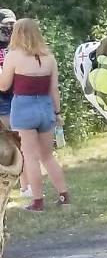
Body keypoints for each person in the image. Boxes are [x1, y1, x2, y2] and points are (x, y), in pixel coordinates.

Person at [0, 18, 69, 211]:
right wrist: (57, 113)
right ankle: (64, 195)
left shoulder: (14, 56)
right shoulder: (49, 57)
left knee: (30, 157)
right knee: (47, 156)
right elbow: (54, 90)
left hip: (24, 107)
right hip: (45, 107)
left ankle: (37, 201)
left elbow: (4, 86)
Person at [0, 9, 31, 197]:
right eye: (5, 25)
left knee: (19, 142)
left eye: (12, 24)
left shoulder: (19, 46)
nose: (9, 28)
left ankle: (26, 186)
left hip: (18, 99)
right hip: (4, 100)